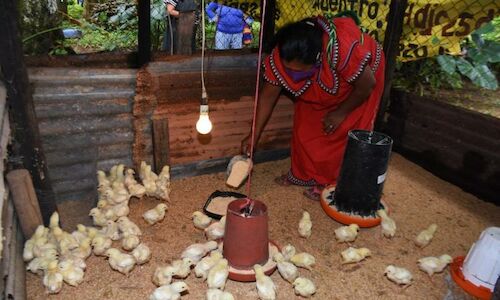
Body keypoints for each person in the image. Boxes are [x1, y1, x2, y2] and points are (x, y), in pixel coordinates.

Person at [241, 14, 385, 201]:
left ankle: (333, 183)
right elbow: (268, 97)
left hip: (360, 83)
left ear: (317, 60)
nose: (292, 76)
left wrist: (341, 113)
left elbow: (367, 85)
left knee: (342, 131)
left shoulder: (340, 50)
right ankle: (304, 175)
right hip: (322, 85)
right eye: (288, 70)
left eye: (300, 71)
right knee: (305, 125)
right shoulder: (282, 54)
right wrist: (253, 135)